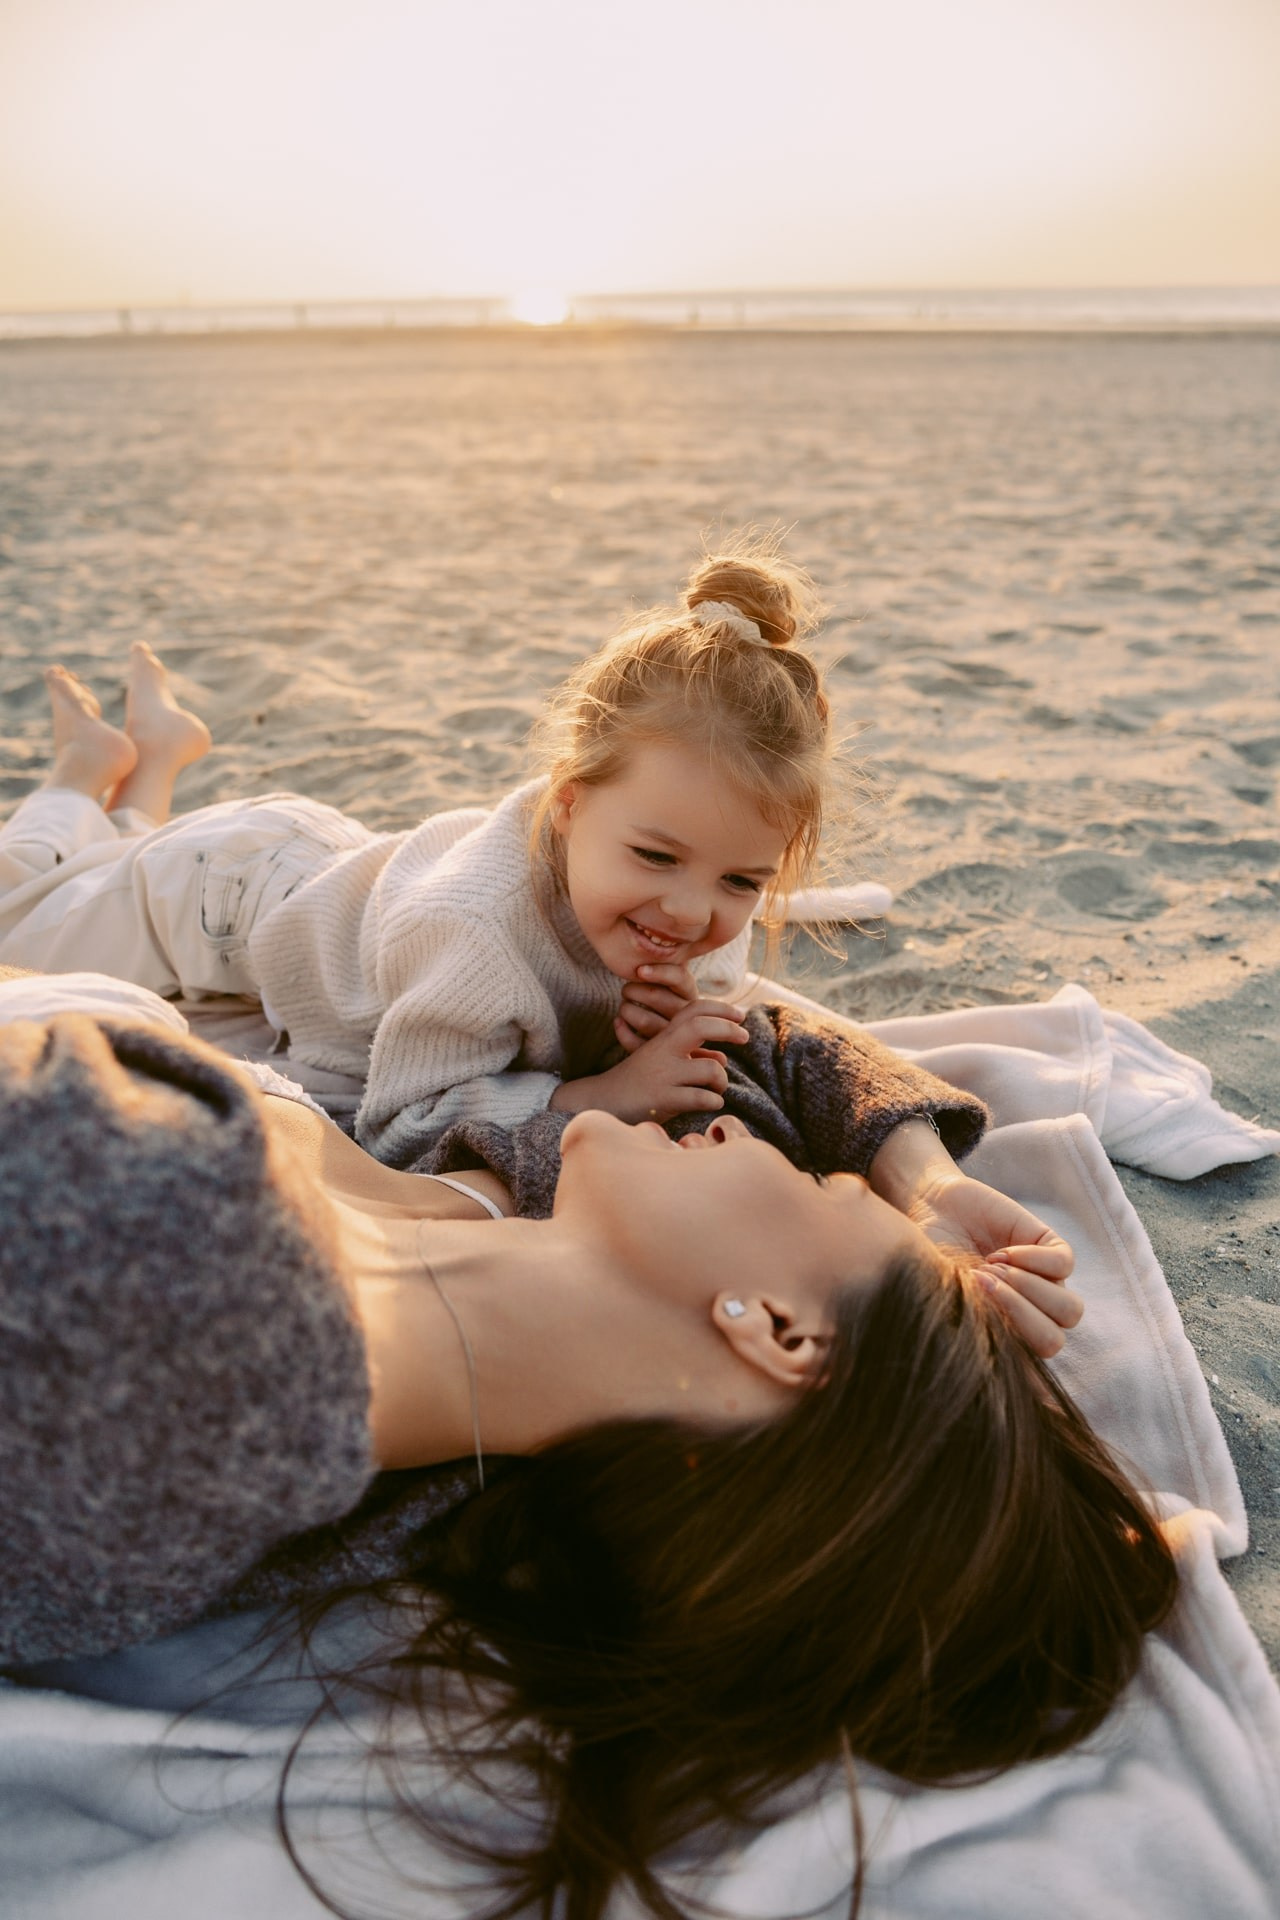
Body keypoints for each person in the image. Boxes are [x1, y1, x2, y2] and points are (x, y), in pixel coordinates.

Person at [0, 973, 1175, 1920]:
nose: (752, 1136)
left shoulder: (157, 1297)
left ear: (772, 1329)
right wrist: (918, 1185)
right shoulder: (478, 1353)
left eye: (826, 1192)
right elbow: (764, 1043)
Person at [0, 537, 846, 1168]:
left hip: (341, 877)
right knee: (15, 921)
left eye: (740, 880)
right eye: (656, 858)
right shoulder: (473, 938)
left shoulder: (691, 916)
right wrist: (599, 1095)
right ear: (569, 804)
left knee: (82, 886)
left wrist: (645, 1029)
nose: (695, 911)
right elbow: (400, 1125)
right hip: (221, 893)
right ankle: (84, 773)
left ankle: (146, 767)